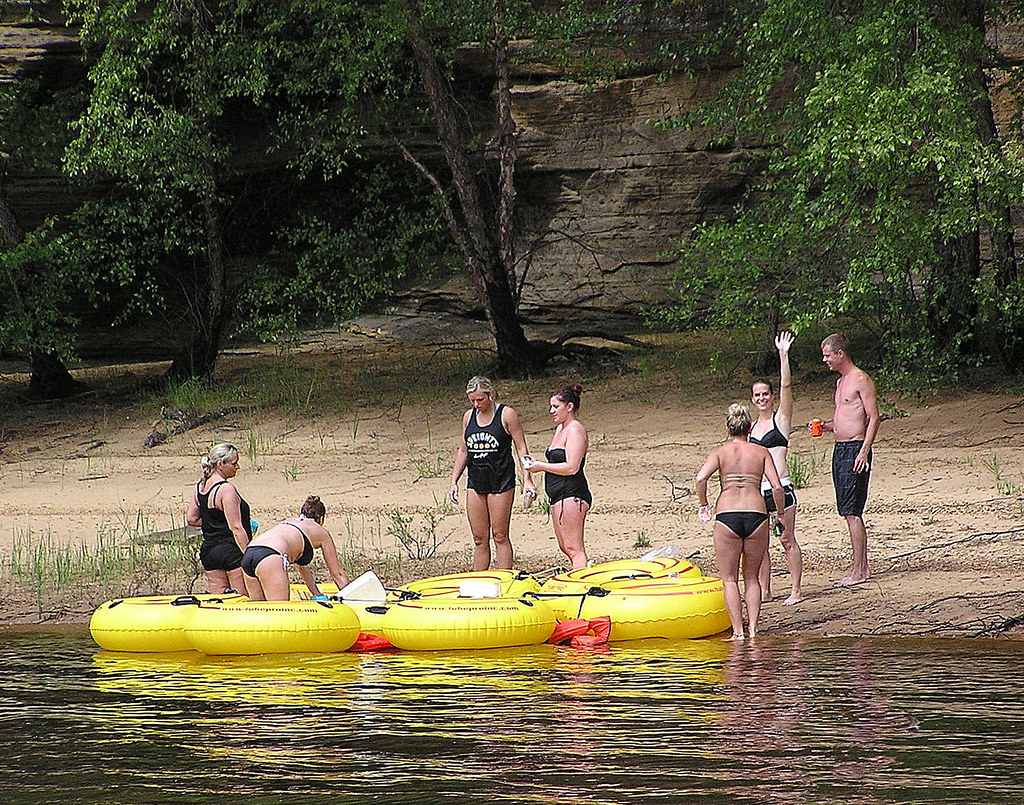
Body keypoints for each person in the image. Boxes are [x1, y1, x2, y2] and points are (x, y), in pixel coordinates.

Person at [695, 404, 786, 641]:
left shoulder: (720, 453)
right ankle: (753, 630)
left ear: (728, 429)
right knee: (752, 578)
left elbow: (701, 478)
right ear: (750, 429)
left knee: (729, 579)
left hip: (728, 515)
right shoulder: (761, 452)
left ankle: (738, 632)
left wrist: (703, 504)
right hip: (756, 514)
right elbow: (777, 487)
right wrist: (779, 514)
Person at [449, 376, 536, 570]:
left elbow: (521, 448)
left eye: (480, 399)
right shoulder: (468, 417)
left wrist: (527, 479)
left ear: (491, 395)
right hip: (476, 481)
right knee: (479, 539)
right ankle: (479, 579)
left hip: (501, 480)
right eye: (472, 400)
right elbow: (463, 450)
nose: (476, 404)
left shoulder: (506, 415)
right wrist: (454, 481)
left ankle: (504, 579)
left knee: (500, 535)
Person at [817, 333, 881, 587]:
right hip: (840, 448)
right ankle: (860, 567)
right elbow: (844, 418)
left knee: (852, 511)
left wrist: (864, 451)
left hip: (856, 447)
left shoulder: (860, 379)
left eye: (827, 355)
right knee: (846, 509)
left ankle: (859, 571)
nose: (825, 360)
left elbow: (873, 417)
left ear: (840, 353)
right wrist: (825, 427)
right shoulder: (840, 382)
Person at [749, 331, 804, 605]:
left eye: (765, 394)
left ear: (771, 396)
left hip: (781, 488)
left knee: (786, 539)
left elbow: (787, 388)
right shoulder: (750, 428)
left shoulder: (780, 420)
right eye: (757, 395)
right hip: (757, 491)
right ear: (752, 399)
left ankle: (796, 590)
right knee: (760, 544)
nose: (762, 398)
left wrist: (783, 355)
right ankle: (766, 590)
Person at [523, 383, 590, 570]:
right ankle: (579, 574)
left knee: (575, 548)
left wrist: (540, 466)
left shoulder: (575, 429)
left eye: (555, 406)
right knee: (565, 546)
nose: (551, 411)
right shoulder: (560, 428)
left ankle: (581, 581)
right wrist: (536, 463)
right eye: (551, 406)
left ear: (569, 407)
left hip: (572, 493)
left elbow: (572, 467)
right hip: (557, 494)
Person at [240, 495, 350, 601]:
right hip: (270, 557)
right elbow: (337, 574)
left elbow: (302, 567)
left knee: (260, 610)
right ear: (320, 519)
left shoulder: (290, 522)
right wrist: (351, 598)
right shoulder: (321, 532)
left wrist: (317, 594)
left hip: (249, 554)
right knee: (279, 611)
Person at [186, 443, 253, 594]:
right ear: (221, 464)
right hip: (232, 550)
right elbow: (236, 527)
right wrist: (249, 555)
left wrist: (214, 523)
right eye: (234, 463)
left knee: (219, 600)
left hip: (210, 551)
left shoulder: (201, 486)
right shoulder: (226, 489)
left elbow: (192, 519)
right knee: (241, 599)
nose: (237, 467)